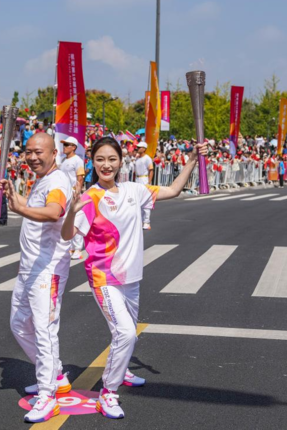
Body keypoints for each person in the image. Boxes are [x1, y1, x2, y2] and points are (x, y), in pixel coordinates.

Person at [61, 136, 208, 419]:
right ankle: (108, 394)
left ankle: (122, 367)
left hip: (131, 278)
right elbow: (68, 235)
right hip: (104, 277)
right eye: (100, 159)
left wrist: (191, 159)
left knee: (129, 334)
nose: (106, 165)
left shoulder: (134, 190)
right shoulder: (90, 197)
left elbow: (175, 190)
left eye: (112, 159)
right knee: (125, 332)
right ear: (92, 162)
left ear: (121, 161)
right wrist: (72, 212)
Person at [0, 133, 73, 423]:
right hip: (30, 266)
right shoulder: (42, 179)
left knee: (44, 329)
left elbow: (54, 212)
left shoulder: (57, 181)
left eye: (38, 152)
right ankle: (54, 376)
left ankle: (48, 396)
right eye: (28, 152)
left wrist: (21, 207)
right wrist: (14, 194)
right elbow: (37, 208)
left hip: (48, 268)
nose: (32, 157)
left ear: (54, 153)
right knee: (18, 324)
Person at [59, 136, 85, 260]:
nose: (64, 147)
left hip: (73, 193)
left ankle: (78, 248)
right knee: (66, 220)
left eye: (67, 145)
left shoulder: (77, 160)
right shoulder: (63, 161)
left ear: (74, 147)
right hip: (64, 194)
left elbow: (80, 177)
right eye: (64, 145)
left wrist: (77, 193)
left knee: (75, 220)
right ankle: (69, 247)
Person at [134, 141, 154, 230]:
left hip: (144, 179)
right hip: (137, 180)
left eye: (139, 147)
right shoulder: (137, 158)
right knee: (138, 201)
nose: (137, 148)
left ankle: (146, 222)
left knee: (146, 201)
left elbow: (151, 170)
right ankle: (140, 221)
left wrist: (149, 182)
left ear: (144, 149)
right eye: (137, 147)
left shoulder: (147, 158)